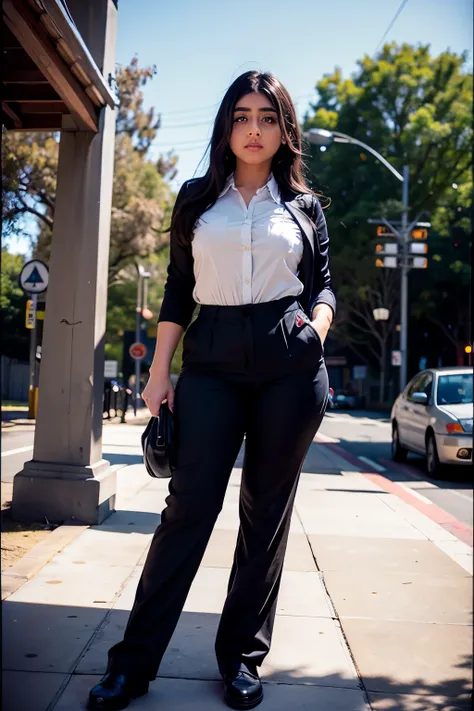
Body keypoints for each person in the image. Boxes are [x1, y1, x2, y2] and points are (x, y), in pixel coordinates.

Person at [88, 70, 336, 711]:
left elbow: (323, 283)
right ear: (227, 127)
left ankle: (242, 662)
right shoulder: (197, 199)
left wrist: (320, 328)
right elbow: (177, 289)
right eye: (242, 117)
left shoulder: (304, 205)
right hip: (213, 362)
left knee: (265, 517)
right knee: (188, 510)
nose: (254, 130)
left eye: (268, 118)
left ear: (285, 131)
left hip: (289, 360)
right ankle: (131, 665)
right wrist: (159, 370)